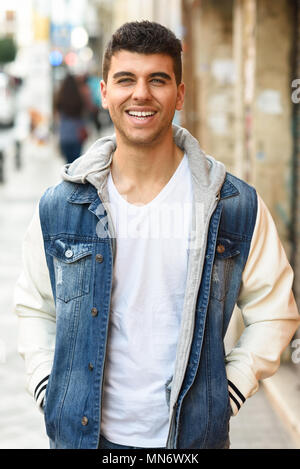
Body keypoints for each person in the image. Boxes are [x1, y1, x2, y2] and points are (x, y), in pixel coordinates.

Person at [14, 21, 299, 450]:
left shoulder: (232, 205)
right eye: (126, 79)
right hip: (83, 439)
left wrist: (227, 394)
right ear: (104, 92)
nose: (141, 94)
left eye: (158, 80)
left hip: (190, 442)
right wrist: (48, 387)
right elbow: (34, 308)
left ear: (179, 94)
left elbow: (275, 312)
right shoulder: (60, 207)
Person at [54, 73, 88, 164]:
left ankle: (69, 178)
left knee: (68, 164)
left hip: (64, 135)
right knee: (76, 163)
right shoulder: (79, 96)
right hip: (77, 134)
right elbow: (84, 113)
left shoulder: (60, 97)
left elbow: (57, 116)